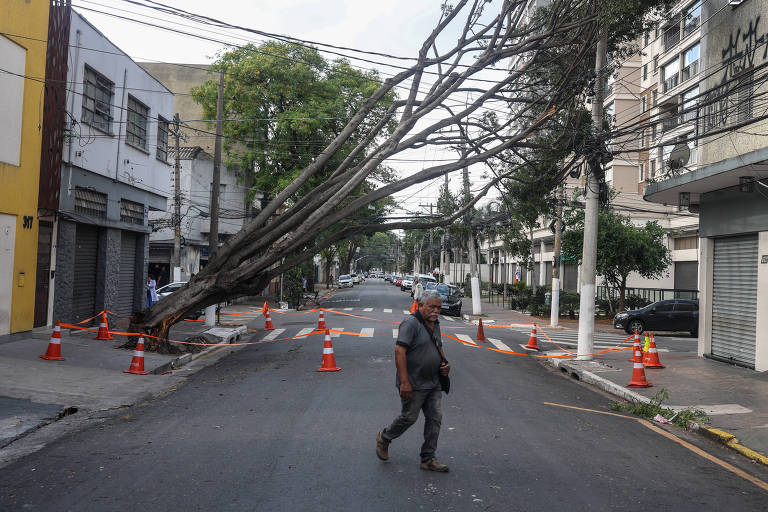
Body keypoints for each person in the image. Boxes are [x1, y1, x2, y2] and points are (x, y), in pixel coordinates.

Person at [376, 290, 451, 472]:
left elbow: (438, 345)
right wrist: (404, 382)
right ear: (420, 305)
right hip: (413, 382)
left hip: (433, 382)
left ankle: (428, 458)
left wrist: (445, 363)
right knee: (409, 418)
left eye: (439, 307)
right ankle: (385, 437)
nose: (435, 310)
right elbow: (399, 352)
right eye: (432, 306)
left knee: (435, 418)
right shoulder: (410, 323)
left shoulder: (435, 323)